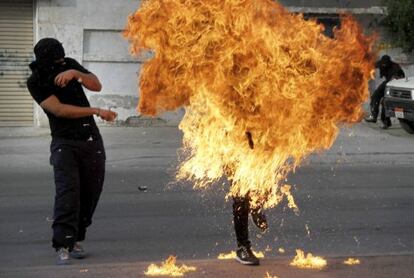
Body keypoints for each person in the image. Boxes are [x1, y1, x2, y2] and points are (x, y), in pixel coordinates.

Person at [26, 38, 117, 265]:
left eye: (62, 58)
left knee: (91, 192)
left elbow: (96, 85)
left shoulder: (69, 64)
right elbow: (59, 110)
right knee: (68, 193)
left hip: (91, 140)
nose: (61, 62)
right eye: (57, 60)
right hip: (64, 143)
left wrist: (76, 73)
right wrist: (95, 110)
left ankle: (76, 238)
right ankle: (62, 244)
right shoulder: (36, 81)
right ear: (45, 60)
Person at [231, 132, 268, 266]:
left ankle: (255, 205)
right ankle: (242, 248)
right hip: (233, 146)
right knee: (241, 197)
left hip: (259, 143)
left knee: (265, 182)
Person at [365, 55, 405, 128]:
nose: (383, 65)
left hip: (395, 84)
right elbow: (373, 65)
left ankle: (386, 122)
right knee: (375, 96)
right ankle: (374, 116)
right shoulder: (381, 63)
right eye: (383, 64)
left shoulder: (395, 67)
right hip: (387, 82)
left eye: (385, 64)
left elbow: (400, 77)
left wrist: (396, 78)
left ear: (389, 63)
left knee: (384, 102)